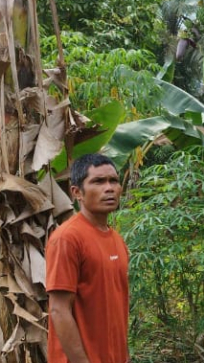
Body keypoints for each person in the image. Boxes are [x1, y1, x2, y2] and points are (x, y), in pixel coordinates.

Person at [46, 153, 129, 363]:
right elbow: (58, 309)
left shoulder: (117, 240)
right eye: (98, 181)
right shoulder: (67, 238)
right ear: (76, 193)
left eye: (114, 181)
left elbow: (115, 306)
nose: (109, 188)